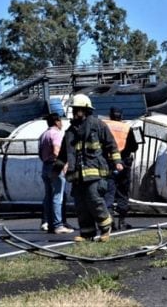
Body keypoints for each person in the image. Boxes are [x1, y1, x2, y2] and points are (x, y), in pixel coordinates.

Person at [53, 94, 122, 242]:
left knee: (94, 199)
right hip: (77, 176)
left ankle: (105, 227)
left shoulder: (98, 126)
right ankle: (87, 233)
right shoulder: (70, 132)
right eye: (73, 109)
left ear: (85, 110)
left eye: (76, 109)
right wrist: (55, 169)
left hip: (95, 172)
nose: (73, 112)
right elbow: (63, 155)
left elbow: (111, 144)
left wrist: (117, 161)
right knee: (81, 205)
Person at [103, 106, 139, 230]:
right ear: (121, 116)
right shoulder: (126, 128)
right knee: (122, 193)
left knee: (109, 193)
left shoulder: (104, 125)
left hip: (108, 163)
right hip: (123, 164)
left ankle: (110, 221)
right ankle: (122, 222)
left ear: (110, 115)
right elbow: (134, 147)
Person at [38, 112, 73, 234]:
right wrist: (62, 165)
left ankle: (49, 222)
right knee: (58, 196)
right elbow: (57, 150)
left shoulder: (43, 135)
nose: (62, 123)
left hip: (45, 166)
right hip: (55, 166)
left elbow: (40, 153)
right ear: (57, 122)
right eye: (60, 121)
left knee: (48, 196)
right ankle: (58, 224)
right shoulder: (56, 134)